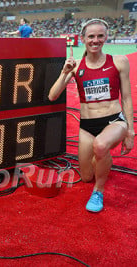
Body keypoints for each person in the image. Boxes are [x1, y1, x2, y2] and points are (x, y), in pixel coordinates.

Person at [48, 19, 135, 213]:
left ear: (106, 37)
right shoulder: (76, 66)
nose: (95, 40)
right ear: (83, 39)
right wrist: (64, 73)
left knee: (101, 145)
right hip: (87, 125)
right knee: (87, 176)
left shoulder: (119, 61)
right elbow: (52, 95)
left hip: (114, 120)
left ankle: (99, 191)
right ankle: (102, 159)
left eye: (100, 36)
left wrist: (130, 132)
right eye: (91, 36)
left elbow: (127, 98)